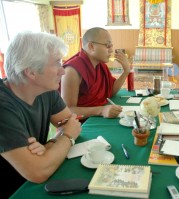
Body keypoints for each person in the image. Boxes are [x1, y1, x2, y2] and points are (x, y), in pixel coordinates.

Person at [0, 32, 82, 198]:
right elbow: (39, 172)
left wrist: (49, 145)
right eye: (57, 64)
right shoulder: (3, 106)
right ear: (31, 72)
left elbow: (71, 123)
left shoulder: (45, 89)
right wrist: (66, 137)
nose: (63, 71)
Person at [60, 27, 130, 120]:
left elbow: (111, 91)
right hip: (79, 126)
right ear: (91, 46)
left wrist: (126, 72)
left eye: (111, 46)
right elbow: (67, 111)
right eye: (107, 45)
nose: (111, 50)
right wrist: (101, 110)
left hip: (98, 117)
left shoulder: (100, 65)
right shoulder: (72, 70)